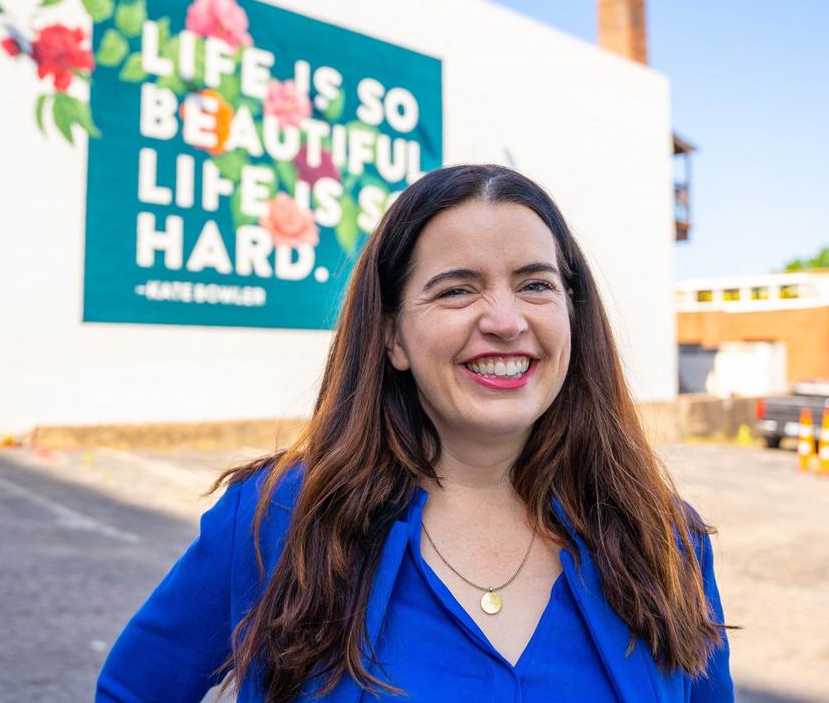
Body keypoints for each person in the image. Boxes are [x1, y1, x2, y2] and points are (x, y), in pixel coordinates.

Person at [96, 164, 733, 703]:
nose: (506, 321)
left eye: (536, 284)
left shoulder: (666, 542)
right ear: (394, 336)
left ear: (572, 313)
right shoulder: (277, 520)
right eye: (458, 290)